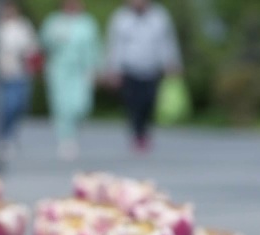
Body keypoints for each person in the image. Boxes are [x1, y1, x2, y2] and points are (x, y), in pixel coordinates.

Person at [105, 0, 182, 153]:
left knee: (149, 101)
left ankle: (145, 131)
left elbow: (167, 42)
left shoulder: (159, 16)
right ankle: (137, 134)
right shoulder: (121, 18)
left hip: (151, 68)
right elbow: (114, 45)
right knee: (134, 104)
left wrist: (171, 62)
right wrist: (113, 69)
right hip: (130, 68)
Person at [41, 0, 102, 160]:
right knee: (61, 105)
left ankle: (74, 128)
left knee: (81, 104)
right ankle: (66, 138)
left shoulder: (87, 23)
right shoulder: (54, 21)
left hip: (81, 70)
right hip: (59, 69)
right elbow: (43, 43)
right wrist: (55, 38)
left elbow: (95, 47)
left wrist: (95, 69)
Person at [0, 3, 39, 157]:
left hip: (21, 72)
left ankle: (12, 133)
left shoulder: (23, 26)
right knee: (7, 106)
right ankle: (4, 136)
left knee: (19, 105)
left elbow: (32, 47)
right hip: (3, 73)